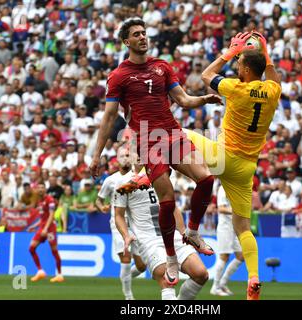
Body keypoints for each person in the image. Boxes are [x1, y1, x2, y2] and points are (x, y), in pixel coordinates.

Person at [89, 18, 221, 286]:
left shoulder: (162, 66)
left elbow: (182, 100)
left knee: (206, 178)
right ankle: (171, 257)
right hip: (148, 141)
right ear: (126, 41)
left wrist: (203, 99)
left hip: (172, 133)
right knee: (168, 199)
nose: (142, 37)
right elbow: (109, 117)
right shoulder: (118, 76)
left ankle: (192, 232)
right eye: (136, 34)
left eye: (144, 33)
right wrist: (96, 155)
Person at [183, 31, 282, 300]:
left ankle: (150, 176)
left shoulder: (236, 88)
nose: (237, 66)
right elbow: (271, 74)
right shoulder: (273, 91)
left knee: (177, 134)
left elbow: (205, 76)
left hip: (222, 156)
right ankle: (253, 277)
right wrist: (264, 48)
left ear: (247, 69)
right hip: (246, 168)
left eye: (240, 64)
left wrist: (228, 52)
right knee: (244, 228)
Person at [114, 164, 208, 300]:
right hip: (149, 240)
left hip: (172, 235)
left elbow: (172, 206)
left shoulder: (161, 174)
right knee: (166, 280)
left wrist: (183, 232)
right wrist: (126, 235)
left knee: (201, 274)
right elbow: (118, 215)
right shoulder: (124, 184)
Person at [96, 146, 146, 300]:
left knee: (142, 266)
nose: (125, 158)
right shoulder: (110, 180)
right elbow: (99, 199)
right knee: (125, 258)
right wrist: (101, 207)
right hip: (118, 223)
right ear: (117, 159)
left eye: (128, 155)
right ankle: (129, 297)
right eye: (122, 156)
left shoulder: (138, 177)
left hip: (136, 224)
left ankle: (126, 277)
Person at [210, 184, 244, 297]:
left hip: (235, 227)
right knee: (224, 256)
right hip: (225, 227)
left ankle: (223, 283)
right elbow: (221, 208)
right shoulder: (223, 188)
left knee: (241, 256)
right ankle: (215, 287)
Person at [27, 182, 63, 283]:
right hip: (42, 228)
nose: (40, 189)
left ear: (45, 189)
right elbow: (43, 218)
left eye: (42, 187)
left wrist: (46, 229)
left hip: (50, 229)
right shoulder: (39, 201)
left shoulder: (50, 200)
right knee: (31, 248)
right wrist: (33, 226)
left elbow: (52, 215)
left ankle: (59, 275)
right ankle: (40, 271)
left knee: (54, 251)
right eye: (39, 188)